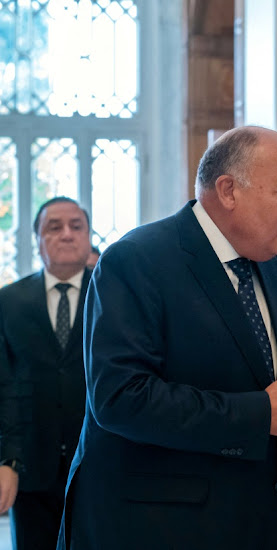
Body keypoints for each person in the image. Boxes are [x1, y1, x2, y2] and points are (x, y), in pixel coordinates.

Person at [56, 126, 277, 550]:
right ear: (229, 190)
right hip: (158, 528)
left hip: (256, 523)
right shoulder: (136, 261)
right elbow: (119, 399)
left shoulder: (270, 267)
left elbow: (264, 388)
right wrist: (265, 414)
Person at [0, 196, 92, 549]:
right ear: (37, 240)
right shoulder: (9, 302)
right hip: (31, 470)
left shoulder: (116, 295)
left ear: (87, 236)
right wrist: (8, 459)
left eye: (76, 226)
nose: (66, 234)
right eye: (54, 228)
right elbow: (4, 387)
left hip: (98, 466)